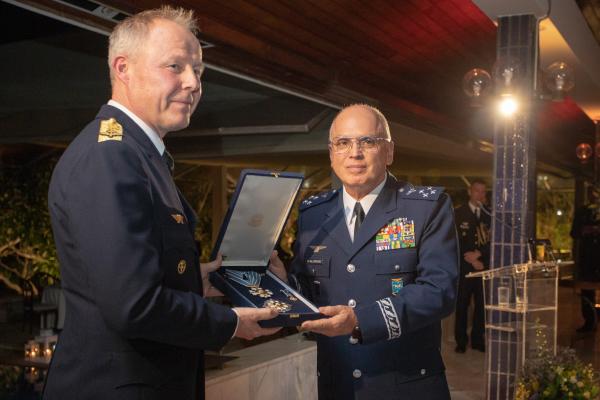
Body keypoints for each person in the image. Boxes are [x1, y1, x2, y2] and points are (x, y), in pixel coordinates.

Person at [44, 7, 279, 399]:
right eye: (175, 66)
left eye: (198, 70)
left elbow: (130, 280)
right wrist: (229, 323)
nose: (193, 83)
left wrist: (195, 282)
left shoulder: (140, 155)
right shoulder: (111, 156)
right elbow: (133, 305)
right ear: (123, 68)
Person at [270, 104, 458, 399]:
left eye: (367, 142)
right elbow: (306, 290)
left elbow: (439, 291)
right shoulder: (314, 213)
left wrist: (359, 320)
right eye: (343, 143)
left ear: (389, 152)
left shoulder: (426, 208)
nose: (354, 153)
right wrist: (281, 282)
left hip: (406, 386)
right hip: (338, 384)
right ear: (332, 154)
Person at [453, 180, 490, 353]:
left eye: (483, 192)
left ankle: (477, 339)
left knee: (481, 305)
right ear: (470, 191)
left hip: (483, 267)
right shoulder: (458, 213)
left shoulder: (489, 214)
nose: (480, 195)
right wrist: (470, 259)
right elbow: (453, 242)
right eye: (477, 191)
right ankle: (461, 340)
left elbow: (494, 240)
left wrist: (480, 255)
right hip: (465, 268)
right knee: (462, 305)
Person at [571, 185, 600, 333]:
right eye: (592, 193)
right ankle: (590, 321)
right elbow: (574, 232)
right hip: (587, 258)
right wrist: (585, 231)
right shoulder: (582, 211)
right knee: (587, 292)